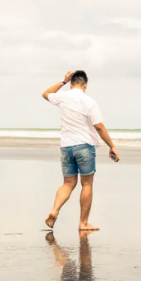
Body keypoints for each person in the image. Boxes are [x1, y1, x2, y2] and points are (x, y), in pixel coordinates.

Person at [42, 70, 120, 232]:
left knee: (68, 183)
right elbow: (99, 126)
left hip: (66, 146)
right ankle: (83, 223)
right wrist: (111, 146)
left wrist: (63, 81)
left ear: (71, 84)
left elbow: (46, 93)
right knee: (87, 184)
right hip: (84, 146)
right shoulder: (89, 101)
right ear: (85, 86)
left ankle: (55, 210)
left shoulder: (63, 96)